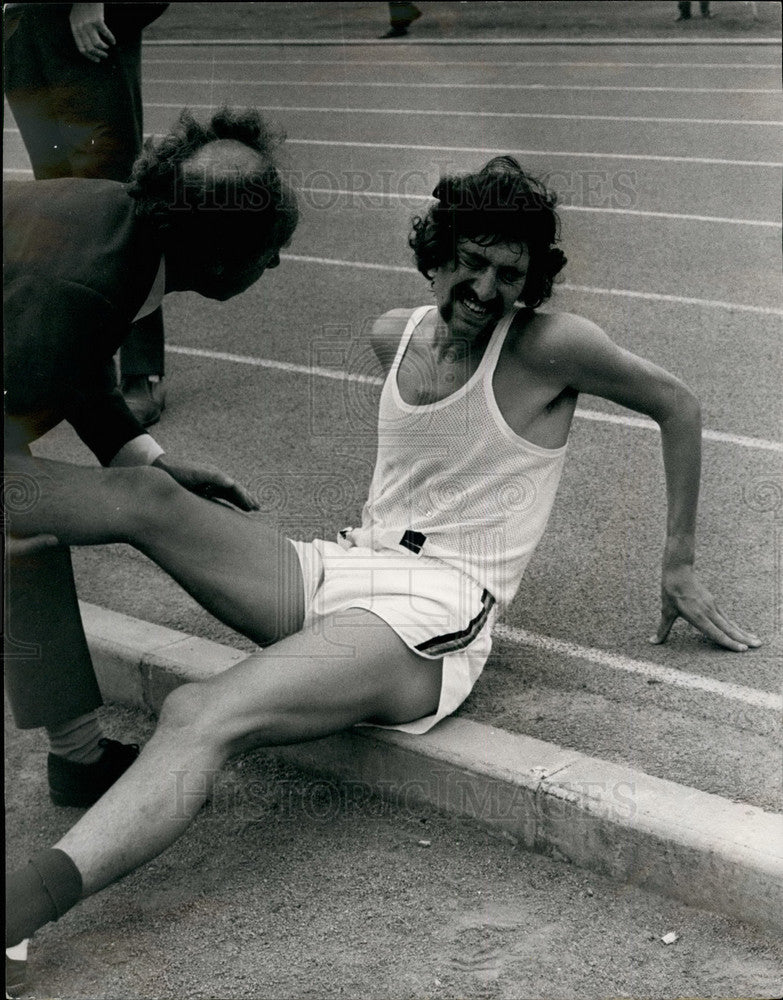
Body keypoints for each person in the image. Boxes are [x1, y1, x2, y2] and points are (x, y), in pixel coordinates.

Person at [4, 156, 759, 994]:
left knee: (200, 711)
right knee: (145, 494)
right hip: (343, 565)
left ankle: (18, 909)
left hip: (431, 611)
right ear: (435, 254)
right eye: (469, 262)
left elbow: (678, 403)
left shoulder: (552, 348)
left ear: (530, 283)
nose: (484, 287)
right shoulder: (391, 331)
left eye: (509, 274)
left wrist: (679, 561)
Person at [3, 107, 298, 824]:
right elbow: (47, 352)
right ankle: (78, 756)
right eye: (268, 249)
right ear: (220, 258)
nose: (277, 263)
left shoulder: (122, 228)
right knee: (45, 535)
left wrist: (152, 463)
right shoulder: (88, 284)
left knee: (59, 522)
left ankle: (78, 760)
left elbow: (74, 367)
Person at [3, 2, 171, 426]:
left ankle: (141, 369)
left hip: (81, 19)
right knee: (56, 197)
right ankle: (77, 364)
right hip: (20, 25)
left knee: (117, 196)